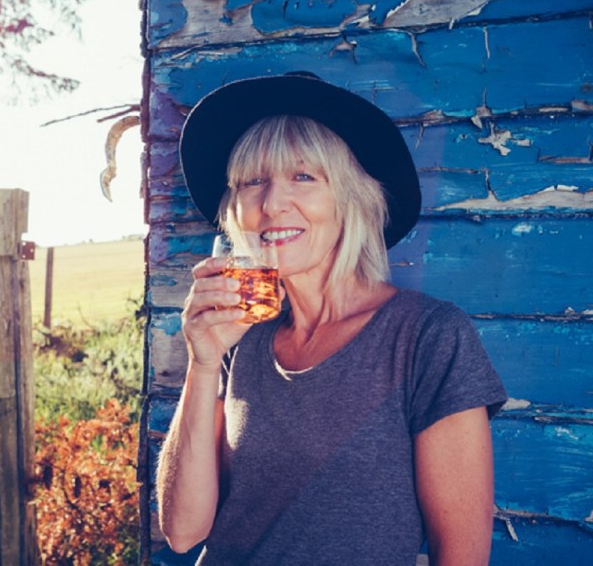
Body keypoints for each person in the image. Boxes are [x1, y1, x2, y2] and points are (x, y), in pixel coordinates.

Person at [155, 72, 508, 565]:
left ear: (351, 199)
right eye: (254, 181)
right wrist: (203, 362)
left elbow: (463, 556)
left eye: (303, 177)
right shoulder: (241, 340)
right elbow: (182, 531)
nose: (272, 203)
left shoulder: (428, 337)